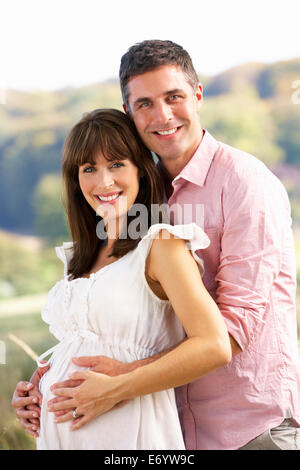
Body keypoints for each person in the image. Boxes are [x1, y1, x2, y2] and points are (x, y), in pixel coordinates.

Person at [12, 40, 300, 450]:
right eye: (145, 103)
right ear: (130, 113)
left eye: (174, 97)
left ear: (197, 95)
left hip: (249, 427)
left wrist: (120, 381)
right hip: (171, 431)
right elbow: (124, 314)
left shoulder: (245, 183)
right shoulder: (136, 198)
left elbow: (233, 331)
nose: (163, 115)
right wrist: (51, 378)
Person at [12, 108, 230, 450]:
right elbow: (85, 345)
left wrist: (116, 387)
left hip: (131, 435)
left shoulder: (160, 245)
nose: (104, 182)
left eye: (116, 164)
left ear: (141, 171)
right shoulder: (79, 259)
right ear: (75, 180)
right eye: (89, 169)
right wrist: (38, 388)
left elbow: (214, 345)